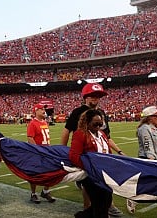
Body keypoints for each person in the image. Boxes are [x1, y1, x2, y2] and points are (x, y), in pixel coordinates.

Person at [61, 83, 124, 217]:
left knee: (104, 195)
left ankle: (88, 213)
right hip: (87, 160)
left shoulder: (101, 114)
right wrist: (62, 150)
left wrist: (118, 152)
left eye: (98, 96)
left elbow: (107, 137)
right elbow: (66, 131)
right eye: (92, 96)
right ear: (85, 97)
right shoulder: (77, 113)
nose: (95, 98)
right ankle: (89, 208)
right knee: (94, 192)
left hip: (102, 161)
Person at [69, 109, 112, 218]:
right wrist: (90, 168)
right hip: (90, 175)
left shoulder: (102, 134)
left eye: (100, 123)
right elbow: (74, 156)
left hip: (104, 173)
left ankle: (81, 216)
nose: (98, 126)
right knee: (100, 204)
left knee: (107, 200)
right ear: (86, 122)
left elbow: (108, 151)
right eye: (95, 123)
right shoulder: (80, 134)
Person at [27, 103, 56, 204]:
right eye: (41, 109)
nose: (44, 111)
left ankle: (45, 191)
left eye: (44, 109)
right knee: (34, 173)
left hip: (46, 151)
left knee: (50, 172)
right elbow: (30, 137)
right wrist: (37, 150)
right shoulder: (33, 123)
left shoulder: (44, 122)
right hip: (37, 152)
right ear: (36, 111)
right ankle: (33, 193)